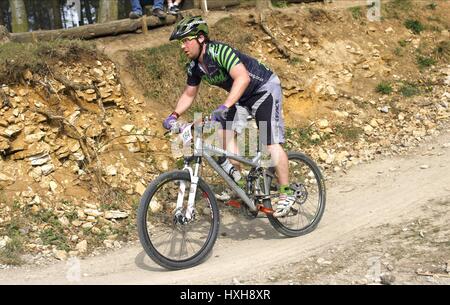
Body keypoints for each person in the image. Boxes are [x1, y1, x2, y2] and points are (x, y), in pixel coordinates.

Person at [163, 16, 295, 218]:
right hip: (241, 96)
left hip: (263, 89)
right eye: (181, 42)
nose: (183, 46)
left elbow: (243, 78)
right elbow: (189, 94)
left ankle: (287, 193)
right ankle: (241, 185)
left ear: (200, 38)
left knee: (270, 142)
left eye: (185, 40)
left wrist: (225, 106)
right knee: (224, 136)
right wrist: (174, 115)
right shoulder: (194, 67)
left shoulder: (220, 51)